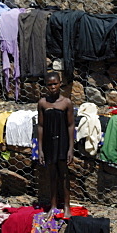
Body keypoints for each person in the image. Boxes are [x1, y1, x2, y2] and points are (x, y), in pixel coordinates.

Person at [36, 71, 75, 217]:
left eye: (55, 84)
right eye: (49, 84)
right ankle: (53, 205)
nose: (52, 87)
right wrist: (40, 149)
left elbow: (71, 125)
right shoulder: (42, 103)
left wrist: (71, 148)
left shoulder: (66, 103)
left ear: (60, 84)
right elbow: (40, 126)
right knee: (52, 174)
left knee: (64, 174)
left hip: (63, 142)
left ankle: (66, 205)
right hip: (49, 143)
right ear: (46, 86)